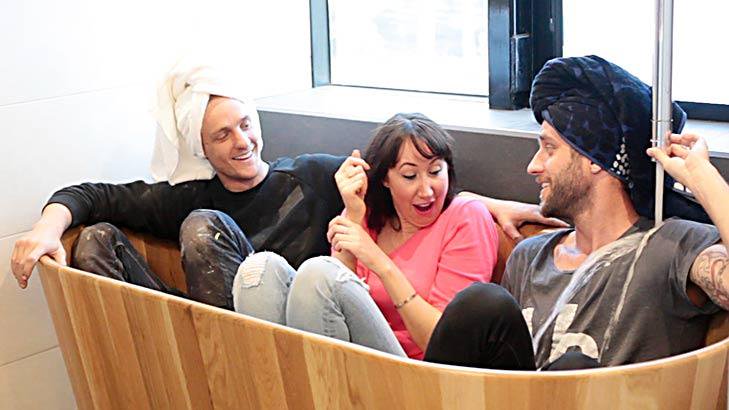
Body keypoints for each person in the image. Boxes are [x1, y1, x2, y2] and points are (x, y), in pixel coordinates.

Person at [10, 61, 560, 310]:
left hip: (290, 326)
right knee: (96, 239)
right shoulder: (191, 196)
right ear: (203, 149)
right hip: (212, 326)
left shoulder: (314, 175)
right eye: (222, 135)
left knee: (203, 230)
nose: (242, 142)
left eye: (246, 124)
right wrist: (46, 229)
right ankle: (178, 358)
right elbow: (93, 196)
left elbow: (403, 176)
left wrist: (493, 204)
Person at [423, 55, 729, 370]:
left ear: (594, 158)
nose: (533, 166)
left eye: (549, 148)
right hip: (519, 394)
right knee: (480, 303)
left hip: (620, 394)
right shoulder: (529, 256)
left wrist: (702, 176)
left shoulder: (673, 247)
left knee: (574, 366)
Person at [232, 113, 498, 359]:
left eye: (435, 171)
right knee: (259, 269)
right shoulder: (367, 212)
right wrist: (353, 214)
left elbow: (445, 345)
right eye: (410, 175)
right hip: (353, 359)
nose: (427, 190)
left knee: (317, 272)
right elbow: (329, 306)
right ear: (385, 179)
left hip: (416, 370)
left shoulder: (466, 217)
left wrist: (379, 262)